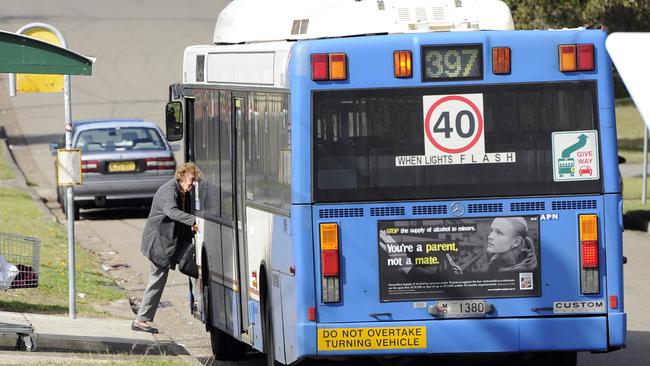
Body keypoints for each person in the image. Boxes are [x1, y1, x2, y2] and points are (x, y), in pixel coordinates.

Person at [132, 162, 199, 333]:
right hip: (158, 243)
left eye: (194, 180)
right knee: (157, 279)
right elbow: (171, 211)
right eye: (191, 179)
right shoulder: (169, 191)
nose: (192, 184)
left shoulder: (183, 191)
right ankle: (141, 319)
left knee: (194, 266)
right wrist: (194, 221)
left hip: (172, 241)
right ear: (181, 176)